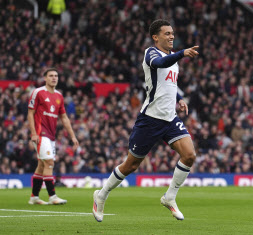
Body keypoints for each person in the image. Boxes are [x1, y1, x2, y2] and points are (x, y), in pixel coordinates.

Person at [92, 19, 199, 222]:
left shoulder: (172, 58)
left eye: (172, 33)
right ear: (155, 37)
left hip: (170, 118)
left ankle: (169, 197)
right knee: (131, 165)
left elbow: (168, 84)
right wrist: (182, 53)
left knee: (190, 155)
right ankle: (102, 194)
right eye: (167, 33)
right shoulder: (151, 53)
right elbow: (159, 65)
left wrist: (179, 98)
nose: (172, 37)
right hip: (150, 119)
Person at [28, 68, 79, 205]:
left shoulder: (59, 96)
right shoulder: (38, 92)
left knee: (41, 165)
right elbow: (30, 113)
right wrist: (33, 133)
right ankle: (52, 196)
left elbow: (64, 117)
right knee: (49, 162)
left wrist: (73, 136)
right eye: (51, 76)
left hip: (51, 136)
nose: (54, 78)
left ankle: (34, 197)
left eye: (56, 75)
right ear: (45, 78)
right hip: (40, 133)